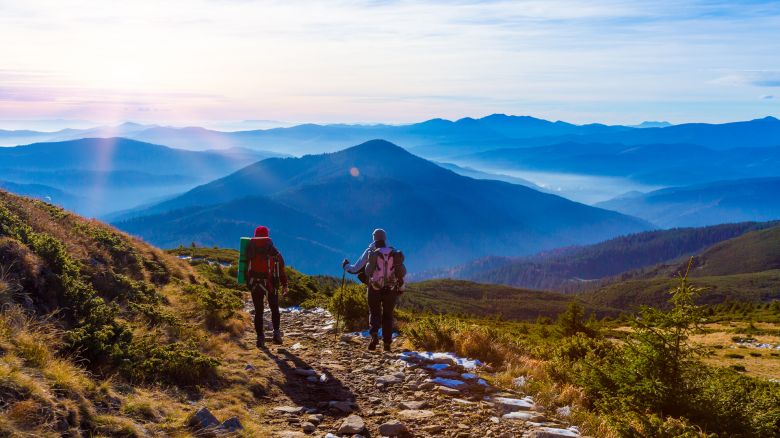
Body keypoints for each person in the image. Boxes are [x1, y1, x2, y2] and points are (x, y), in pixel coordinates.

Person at [343, 228, 406, 352]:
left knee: (374, 312)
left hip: (374, 288)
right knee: (388, 316)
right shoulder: (394, 252)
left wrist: (345, 266)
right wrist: (402, 288)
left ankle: (374, 336)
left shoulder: (370, 251)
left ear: (374, 238)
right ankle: (387, 343)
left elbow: (355, 269)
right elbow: (401, 273)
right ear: (385, 238)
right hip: (391, 289)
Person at [246, 225, 288, 348]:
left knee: (258, 312)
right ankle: (276, 334)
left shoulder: (249, 250)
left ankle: (260, 338)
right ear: (267, 235)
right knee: (274, 309)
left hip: (254, 284)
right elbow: (281, 270)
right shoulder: (273, 251)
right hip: (271, 284)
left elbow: (244, 268)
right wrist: (284, 285)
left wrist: (248, 282)